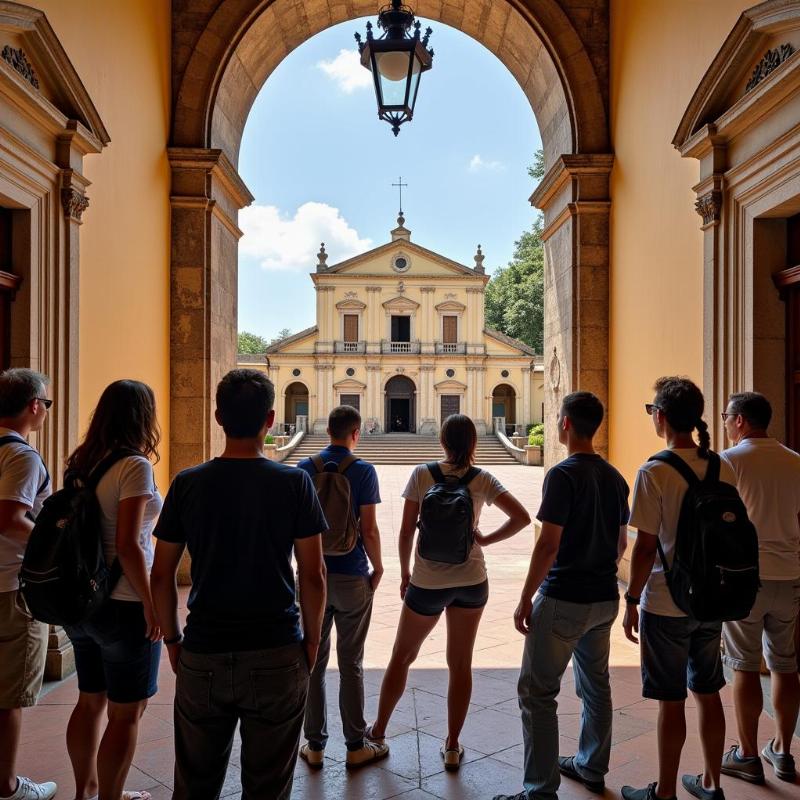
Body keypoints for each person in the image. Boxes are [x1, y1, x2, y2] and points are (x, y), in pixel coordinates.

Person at [150, 369, 327, 800]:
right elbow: (314, 574)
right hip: (276, 647)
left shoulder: (188, 483)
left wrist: (173, 640)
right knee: (268, 787)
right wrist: (312, 642)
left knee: (195, 784)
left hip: (204, 647)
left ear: (217, 417)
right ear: (270, 420)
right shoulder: (293, 483)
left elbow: (161, 573)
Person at [367, 414, 530, 769]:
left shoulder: (422, 474)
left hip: (427, 581)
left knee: (402, 656)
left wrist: (406, 572)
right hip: (472, 580)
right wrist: (484, 538)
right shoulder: (482, 478)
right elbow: (521, 518)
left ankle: (378, 732)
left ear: (442, 441)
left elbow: (407, 532)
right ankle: (453, 745)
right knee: (460, 663)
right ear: (473, 444)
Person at [493, 392, 630, 800]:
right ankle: (591, 766)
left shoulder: (562, 475)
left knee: (537, 693)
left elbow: (548, 544)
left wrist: (525, 597)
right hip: (604, 598)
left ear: (565, 424)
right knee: (596, 687)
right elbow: (621, 544)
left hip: (564, 598)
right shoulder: (615, 477)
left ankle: (540, 790)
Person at [622, 376, 734, 800]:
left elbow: (646, 545)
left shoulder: (654, 471)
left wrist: (632, 599)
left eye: (652, 411)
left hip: (666, 602)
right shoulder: (723, 465)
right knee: (708, 691)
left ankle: (665, 791)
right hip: (712, 599)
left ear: (662, 416)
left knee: (672, 700)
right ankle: (712, 783)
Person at [62, 380, 163, 800]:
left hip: (82, 601)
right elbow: (127, 544)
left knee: (90, 700)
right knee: (127, 713)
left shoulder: (82, 462)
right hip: (122, 604)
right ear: (143, 416)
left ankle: (86, 790)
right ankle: (110, 798)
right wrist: (152, 605)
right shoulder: (134, 466)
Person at [297, 405, 387, 768]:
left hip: (311, 577)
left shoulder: (304, 469)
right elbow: (369, 530)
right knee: (352, 662)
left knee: (313, 661)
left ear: (327, 431)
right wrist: (378, 566)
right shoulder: (363, 471)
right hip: (352, 574)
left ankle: (315, 745)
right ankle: (355, 745)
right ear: (356, 433)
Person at [719, 392, 800, 784]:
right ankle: (783, 752)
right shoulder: (795, 461)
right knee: (785, 664)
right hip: (789, 574)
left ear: (739, 420)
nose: (723, 423)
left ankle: (748, 754)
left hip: (743, 577)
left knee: (744, 666)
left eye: (725, 417)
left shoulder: (729, 461)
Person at [0, 369, 55, 800]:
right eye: (47, 403)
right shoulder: (22, 456)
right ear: (34, 405)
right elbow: (11, 517)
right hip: (11, 587)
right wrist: (57, 544)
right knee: (10, 694)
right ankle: (8, 785)